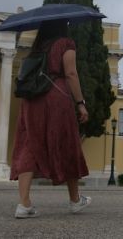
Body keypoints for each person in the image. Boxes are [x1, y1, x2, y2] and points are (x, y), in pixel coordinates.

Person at [10, 19, 91, 219]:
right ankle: (75, 200)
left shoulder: (37, 46)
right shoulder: (66, 43)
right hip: (55, 96)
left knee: (29, 144)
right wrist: (80, 103)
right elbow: (70, 73)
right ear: (63, 26)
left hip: (31, 99)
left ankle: (24, 204)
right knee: (67, 143)